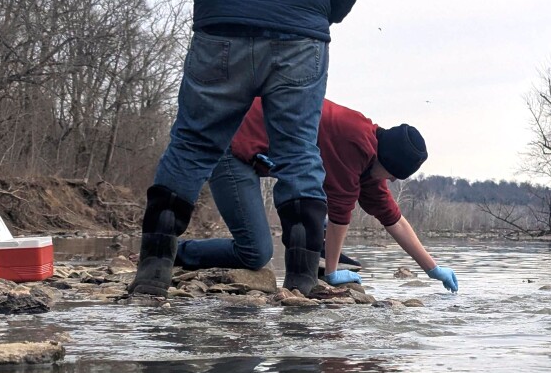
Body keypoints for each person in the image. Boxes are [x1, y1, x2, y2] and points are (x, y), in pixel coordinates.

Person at [130, 0, 375, 297]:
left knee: (193, 143)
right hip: (299, 33)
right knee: (297, 152)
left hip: (222, 26)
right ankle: (302, 283)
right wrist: (328, 9)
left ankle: (152, 273)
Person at [175, 98, 460, 293]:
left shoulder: (372, 157)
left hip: (250, 154)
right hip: (229, 147)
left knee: (313, 219)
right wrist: (333, 274)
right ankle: (173, 252)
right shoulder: (355, 143)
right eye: (393, 173)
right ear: (384, 159)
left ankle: (319, 258)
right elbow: (340, 214)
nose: (394, 180)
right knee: (256, 252)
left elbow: (394, 220)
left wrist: (432, 269)